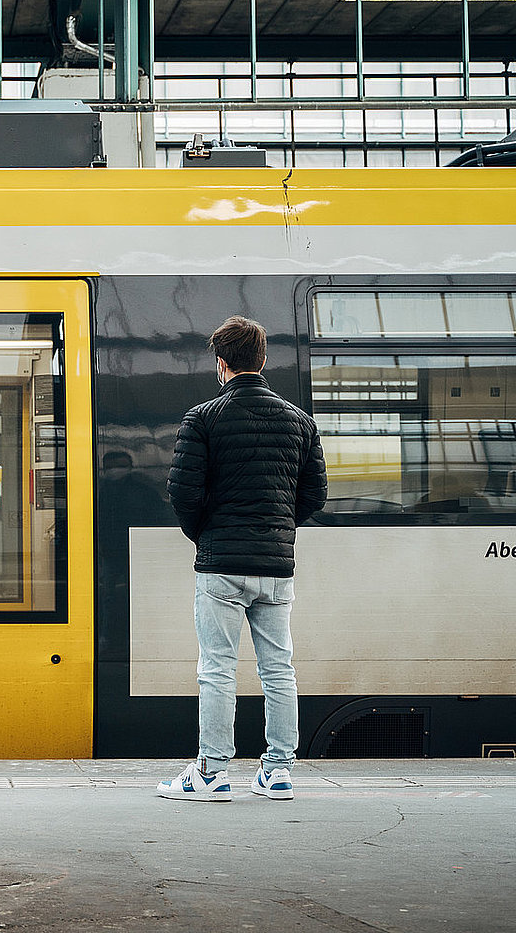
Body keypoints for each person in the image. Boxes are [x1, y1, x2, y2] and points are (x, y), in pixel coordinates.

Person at [159, 316, 326, 802]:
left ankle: (211, 772)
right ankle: (277, 771)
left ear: (221, 364)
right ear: (264, 360)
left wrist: (207, 536)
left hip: (220, 567)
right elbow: (313, 496)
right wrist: (275, 529)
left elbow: (183, 495)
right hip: (277, 568)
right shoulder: (299, 421)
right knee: (279, 668)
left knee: (217, 668)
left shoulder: (203, 418)